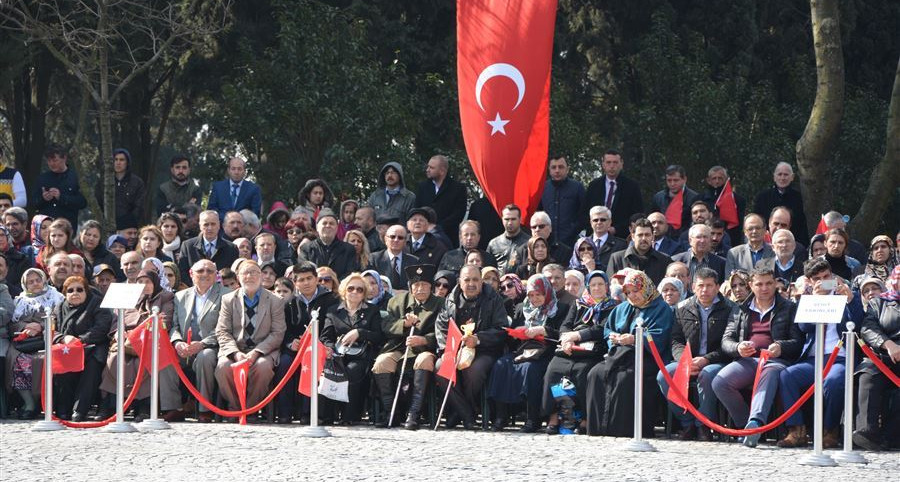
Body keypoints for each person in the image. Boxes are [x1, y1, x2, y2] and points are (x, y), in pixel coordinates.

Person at [776, 258, 863, 448]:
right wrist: (814, 300)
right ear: (810, 280)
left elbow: (857, 324)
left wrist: (849, 300)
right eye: (818, 278)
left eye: (827, 276)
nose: (824, 281)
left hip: (840, 357)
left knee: (833, 381)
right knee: (787, 376)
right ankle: (796, 430)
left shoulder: (847, 294)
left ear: (832, 275)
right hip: (814, 358)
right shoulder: (807, 298)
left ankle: (830, 430)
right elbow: (804, 327)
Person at [712, 267, 804, 447]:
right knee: (720, 382)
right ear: (751, 286)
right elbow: (726, 340)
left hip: (776, 360)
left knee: (769, 373)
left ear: (775, 284)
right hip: (748, 359)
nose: (764, 288)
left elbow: (798, 342)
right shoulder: (740, 309)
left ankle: (756, 422)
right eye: (759, 284)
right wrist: (738, 347)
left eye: (769, 283)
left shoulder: (789, 307)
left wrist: (780, 346)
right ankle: (745, 425)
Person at [585, 270, 673, 436]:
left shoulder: (662, 308)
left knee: (625, 377)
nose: (632, 296)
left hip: (646, 357)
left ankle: (624, 429)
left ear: (645, 288)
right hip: (619, 354)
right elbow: (608, 328)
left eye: (635, 291)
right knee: (595, 373)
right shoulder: (623, 307)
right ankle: (599, 427)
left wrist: (634, 339)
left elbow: (660, 336)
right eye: (628, 292)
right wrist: (613, 338)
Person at [656, 268, 737, 441]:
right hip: (687, 359)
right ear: (693, 286)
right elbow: (675, 340)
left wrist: (707, 359)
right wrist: (684, 361)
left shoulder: (731, 308)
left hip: (717, 360)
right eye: (700, 285)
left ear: (717, 287)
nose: (704, 290)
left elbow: (729, 343)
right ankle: (688, 423)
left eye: (709, 286)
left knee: (707, 376)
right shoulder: (682, 307)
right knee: (665, 375)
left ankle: (703, 425)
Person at [488, 274, 568, 432]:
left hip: (546, 352)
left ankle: (533, 418)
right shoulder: (522, 308)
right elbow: (513, 337)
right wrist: (516, 332)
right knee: (501, 365)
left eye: (539, 294)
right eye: (531, 294)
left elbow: (563, 334)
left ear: (547, 293)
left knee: (530, 369)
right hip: (523, 349)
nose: (535, 298)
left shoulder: (560, 309)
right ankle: (500, 415)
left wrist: (544, 330)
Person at [542, 270, 617, 435]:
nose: (597, 288)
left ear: (606, 286)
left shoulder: (612, 306)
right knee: (553, 371)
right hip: (570, 347)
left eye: (600, 284)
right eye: (593, 285)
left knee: (583, 373)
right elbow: (565, 325)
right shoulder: (579, 304)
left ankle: (584, 418)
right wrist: (566, 339)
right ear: (588, 287)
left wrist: (577, 336)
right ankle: (554, 416)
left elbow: (602, 328)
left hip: (592, 350)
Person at [434, 265, 507, 429]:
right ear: (460, 282)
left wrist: (478, 339)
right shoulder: (451, 299)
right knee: (441, 367)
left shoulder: (493, 298)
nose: (471, 284)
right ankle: (467, 413)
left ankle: (459, 413)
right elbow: (441, 327)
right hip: (456, 347)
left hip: (484, 350)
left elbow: (501, 329)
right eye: (467, 280)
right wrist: (447, 350)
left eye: (475, 279)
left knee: (472, 370)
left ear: (481, 281)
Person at [98, 270, 175, 422]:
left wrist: (138, 334)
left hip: (149, 341)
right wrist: (118, 334)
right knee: (114, 359)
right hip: (125, 341)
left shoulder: (165, 298)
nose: (143, 286)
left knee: (142, 364)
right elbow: (116, 320)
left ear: (155, 283)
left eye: (147, 282)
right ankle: (111, 405)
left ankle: (143, 406)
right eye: (140, 282)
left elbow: (164, 321)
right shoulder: (128, 297)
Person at [372, 264, 441, 429]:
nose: (420, 289)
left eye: (425, 285)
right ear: (410, 287)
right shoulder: (396, 302)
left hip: (426, 349)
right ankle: (391, 412)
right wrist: (403, 323)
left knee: (423, 360)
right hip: (400, 348)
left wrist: (425, 340)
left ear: (431, 287)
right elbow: (386, 326)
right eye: (416, 285)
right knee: (382, 362)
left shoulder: (441, 304)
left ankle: (414, 413)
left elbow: (443, 331)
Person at [214, 260, 286, 417]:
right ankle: (236, 408)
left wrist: (256, 352)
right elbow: (222, 331)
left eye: (254, 272)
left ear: (261, 276)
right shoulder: (228, 300)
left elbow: (278, 333)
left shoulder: (275, 301)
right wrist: (235, 353)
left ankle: (250, 409)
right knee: (224, 367)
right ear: (238, 277)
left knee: (262, 368)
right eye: (245, 272)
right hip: (236, 349)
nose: (250, 276)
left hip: (263, 350)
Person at [275, 261, 339, 424]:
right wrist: (290, 342)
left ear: (316, 278)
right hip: (296, 350)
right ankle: (285, 413)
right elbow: (284, 329)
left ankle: (310, 413)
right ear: (295, 283)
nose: (306, 283)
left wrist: (324, 345)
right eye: (301, 280)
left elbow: (332, 326)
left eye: (309, 278)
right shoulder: (289, 303)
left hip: (321, 346)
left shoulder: (331, 299)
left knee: (314, 361)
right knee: (284, 363)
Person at [320, 272, 384, 425]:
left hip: (362, 355)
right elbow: (325, 337)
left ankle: (350, 416)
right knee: (329, 369)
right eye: (351, 289)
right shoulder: (333, 311)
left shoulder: (372, 310)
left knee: (353, 370)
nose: (355, 292)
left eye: (359, 289)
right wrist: (329, 348)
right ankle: (327, 416)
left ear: (364, 293)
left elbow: (379, 336)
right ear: (344, 290)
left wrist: (360, 333)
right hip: (337, 354)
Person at [165, 259, 224, 423]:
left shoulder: (226, 294)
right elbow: (174, 326)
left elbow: (225, 328)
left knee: (205, 357)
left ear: (216, 275)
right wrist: (177, 342)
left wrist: (203, 343)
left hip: (212, 346)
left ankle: (205, 409)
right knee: (164, 356)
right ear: (191, 274)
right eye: (200, 271)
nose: (205, 274)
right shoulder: (180, 296)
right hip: (185, 347)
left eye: (210, 271)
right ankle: (174, 407)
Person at [6, 269, 64, 419]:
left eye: (38, 280)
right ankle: (29, 403)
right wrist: (24, 327)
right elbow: (12, 324)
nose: (35, 284)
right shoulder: (19, 301)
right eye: (30, 282)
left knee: (44, 360)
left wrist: (42, 326)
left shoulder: (56, 297)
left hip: (47, 339)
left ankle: (46, 403)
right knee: (18, 359)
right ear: (25, 285)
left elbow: (62, 320)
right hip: (24, 342)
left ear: (44, 280)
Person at [854, 265, 899, 450]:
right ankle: (867, 432)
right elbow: (868, 328)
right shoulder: (878, 302)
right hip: (883, 355)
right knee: (868, 375)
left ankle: (891, 437)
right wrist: (888, 345)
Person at [584, 149, 645, 238]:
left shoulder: (632, 187)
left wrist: (615, 229)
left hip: (621, 237)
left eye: (615, 162)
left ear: (621, 164)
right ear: (603, 165)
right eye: (608, 162)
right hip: (595, 235)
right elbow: (585, 212)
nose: (612, 166)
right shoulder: (594, 186)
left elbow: (637, 214)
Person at [414, 154, 467, 247]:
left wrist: (438, 227)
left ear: (442, 171)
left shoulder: (458, 188)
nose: (427, 170)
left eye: (431, 167)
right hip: (424, 236)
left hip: (448, 237)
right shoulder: (422, 187)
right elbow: (417, 209)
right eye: (428, 167)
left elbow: (459, 213)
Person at [753, 162, 810, 244]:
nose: (782, 178)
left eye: (786, 175)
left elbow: (802, 226)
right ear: (774, 177)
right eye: (779, 174)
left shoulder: (799, 199)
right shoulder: (762, 198)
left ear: (792, 177)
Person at [177, 210, 239, 284]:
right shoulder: (188, 246)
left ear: (219, 225)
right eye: (206, 224)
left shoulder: (231, 248)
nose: (210, 228)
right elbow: (183, 272)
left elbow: (233, 274)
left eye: (213, 224)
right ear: (200, 226)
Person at [33, 144, 87, 227]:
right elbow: (33, 203)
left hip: (67, 227)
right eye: (49, 161)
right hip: (46, 227)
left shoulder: (75, 178)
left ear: (64, 158)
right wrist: (43, 198)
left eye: (54, 160)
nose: (51, 164)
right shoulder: (42, 179)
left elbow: (83, 202)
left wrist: (61, 197)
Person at [606, 218, 672, 284]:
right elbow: (610, 285)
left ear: (653, 237)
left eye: (647, 235)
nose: (644, 238)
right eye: (640, 235)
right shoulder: (617, 259)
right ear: (633, 237)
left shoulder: (665, 260)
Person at [297, 211, 360, 280]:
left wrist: (334, 284)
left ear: (337, 228)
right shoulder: (306, 249)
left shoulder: (348, 249)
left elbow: (350, 274)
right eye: (324, 223)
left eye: (331, 223)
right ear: (317, 227)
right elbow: (304, 272)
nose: (328, 225)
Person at [539, 155, 585, 246]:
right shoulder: (542, 188)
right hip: (547, 242)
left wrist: (573, 230)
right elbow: (538, 212)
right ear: (549, 170)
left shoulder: (577, 187)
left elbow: (584, 214)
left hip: (570, 242)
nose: (557, 170)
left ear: (567, 169)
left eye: (561, 167)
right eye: (553, 167)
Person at [95, 148, 146, 229]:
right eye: (116, 159)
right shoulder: (103, 182)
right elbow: (97, 203)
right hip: (106, 225)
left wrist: (128, 222)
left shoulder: (137, 182)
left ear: (127, 162)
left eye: (122, 160)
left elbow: (139, 206)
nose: (118, 163)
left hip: (129, 227)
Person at [700, 166, 746, 245]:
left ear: (726, 179)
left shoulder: (738, 200)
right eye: (714, 178)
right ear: (708, 180)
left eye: (720, 178)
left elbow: (739, 224)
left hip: (732, 239)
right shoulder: (700, 199)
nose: (717, 181)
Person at [651, 165, 700, 239]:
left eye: (676, 180)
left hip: (685, 239)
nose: (672, 184)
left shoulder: (694, 198)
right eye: (669, 180)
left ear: (684, 179)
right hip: (663, 239)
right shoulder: (658, 197)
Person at [370, 225, 419, 289]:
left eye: (400, 238)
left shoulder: (414, 261)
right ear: (385, 239)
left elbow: (416, 284)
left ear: (405, 242)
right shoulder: (374, 259)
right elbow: (370, 284)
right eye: (392, 237)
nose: (396, 240)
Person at [486, 204, 530, 273]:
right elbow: (487, 269)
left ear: (520, 219)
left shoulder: (529, 243)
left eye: (513, 219)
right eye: (507, 219)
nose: (510, 223)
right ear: (502, 219)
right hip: (499, 282)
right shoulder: (493, 244)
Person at [0, 226, 29, 297]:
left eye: (2, 235)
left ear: (7, 237)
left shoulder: (21, 259)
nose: (0, 239)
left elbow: (26, 284)